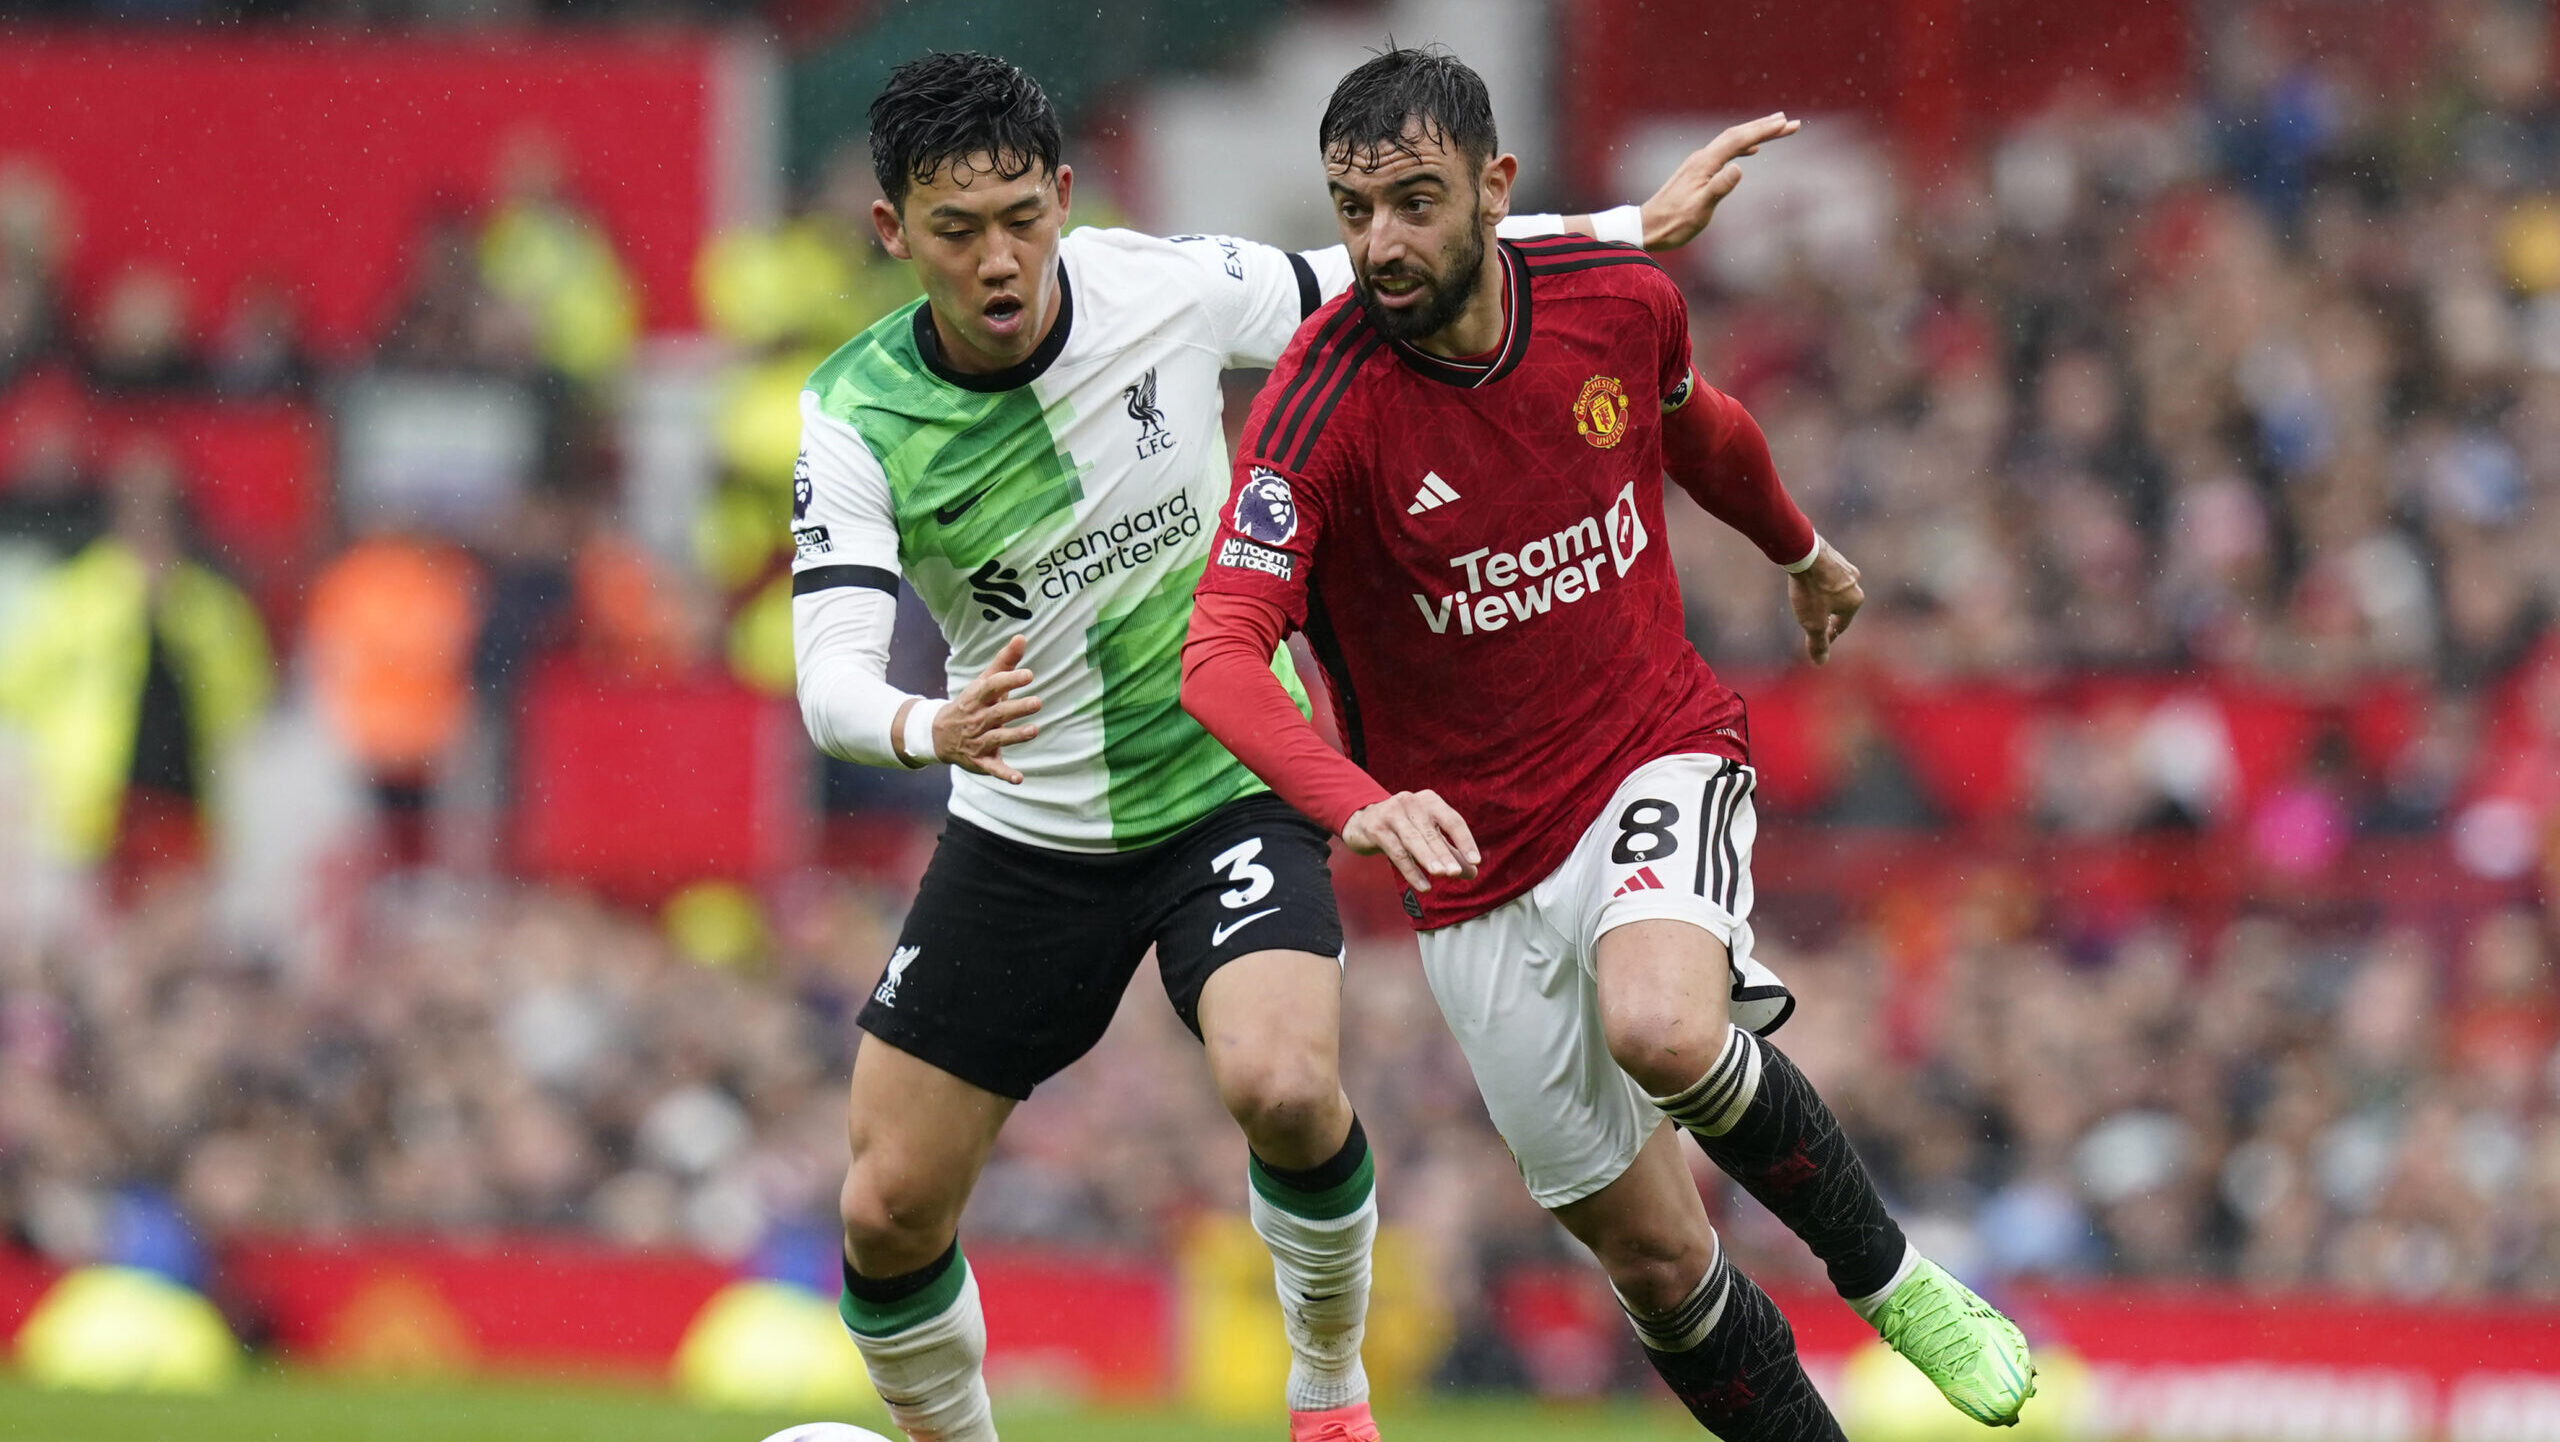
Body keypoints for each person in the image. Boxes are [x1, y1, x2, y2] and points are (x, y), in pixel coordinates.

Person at [790, 50, 1786, 1442]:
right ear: (894, 230)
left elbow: (1371, 268)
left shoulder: (1162, 287)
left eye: (1025, 217)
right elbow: (828, 677)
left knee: (1284, 1083)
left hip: (1228, 793)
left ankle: (1330, 1394)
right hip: (1028, 825)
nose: (1002, 259)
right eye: (959, 233)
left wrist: (1625, 228)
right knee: (885, 1207)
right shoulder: (849, 418)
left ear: (1066, 197)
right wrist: (921, 725)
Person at [1180, 47, 2035, 1440]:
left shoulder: (1617, 300)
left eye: (1411, 201)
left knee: (1662, 1025)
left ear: (1495, 187)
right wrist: (1360, 803)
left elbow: (1698, 430)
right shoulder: (1315, 410)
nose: (1380, 243)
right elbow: (1217, 655)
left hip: (1650, 746)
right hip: (1471, 866)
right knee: (1656, 1262)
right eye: (1352, 210)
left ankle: (1892, 1278)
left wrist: (1803, 551)